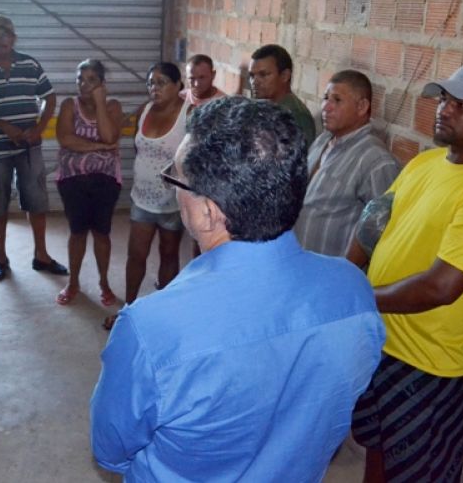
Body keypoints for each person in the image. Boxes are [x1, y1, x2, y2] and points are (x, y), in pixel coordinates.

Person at [90, 96, 385, 481]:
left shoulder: (149, 329)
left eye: (175, 178)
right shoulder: (353, 292)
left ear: (207, 212)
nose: (173, 188)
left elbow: (111, 451)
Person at [347, 60, 463, 482]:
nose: (445, 109)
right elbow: (375, 221)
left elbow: (441, 287)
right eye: (444, 99)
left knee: (415, 473)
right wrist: (342, 274)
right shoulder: (425, 163)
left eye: (462, 105)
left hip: (426, 365)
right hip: (381, 340)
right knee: (376, 455)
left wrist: (353, 298)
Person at [0, 14, 65, 281]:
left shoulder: (30, 64)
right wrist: (2, 126)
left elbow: (50, 97)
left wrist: (39, 128)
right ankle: (1, 258)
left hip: (29, 148)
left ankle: (41, 255)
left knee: (36, 202)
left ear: (13, 38)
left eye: (4, 34)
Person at [105, 62, 189, 330]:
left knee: (169, 254)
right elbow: (138, 148)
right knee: (136, 254)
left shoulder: (189, 114)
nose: (154, 88)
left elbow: (195, 155)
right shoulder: (144, 111)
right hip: (142, 198)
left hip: (172, 202)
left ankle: (164, 314)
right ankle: (128, 310)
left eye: (161, 83)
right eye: (151, 83)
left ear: (178, 85)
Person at [294, 70, 400, 256]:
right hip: (299, 260)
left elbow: (380, 228)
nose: (326, 107)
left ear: (362, 107)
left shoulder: (376, 160)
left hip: (333, 269)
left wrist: (347, 267)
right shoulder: (323, 140)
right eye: (325, 98)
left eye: (337, 100)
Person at [54, 59, 124, 306]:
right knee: (77, 232)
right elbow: (65, 139)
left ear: (102, 84)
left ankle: (104, 282)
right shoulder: (68, 105)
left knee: (102, 233)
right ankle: (73, 282)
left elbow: (109, 135)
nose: (84, 85)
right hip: (72, 179)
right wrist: (100, 147)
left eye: (92, 80)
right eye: (80, 79)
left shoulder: (113, 107)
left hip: (105, 180)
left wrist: (100, 103)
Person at [248, 44, 315, 146]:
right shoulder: (260, 106)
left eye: (263, 75)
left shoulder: (296, 116)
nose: (254, 82)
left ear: (285, 76)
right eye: (252, 76)